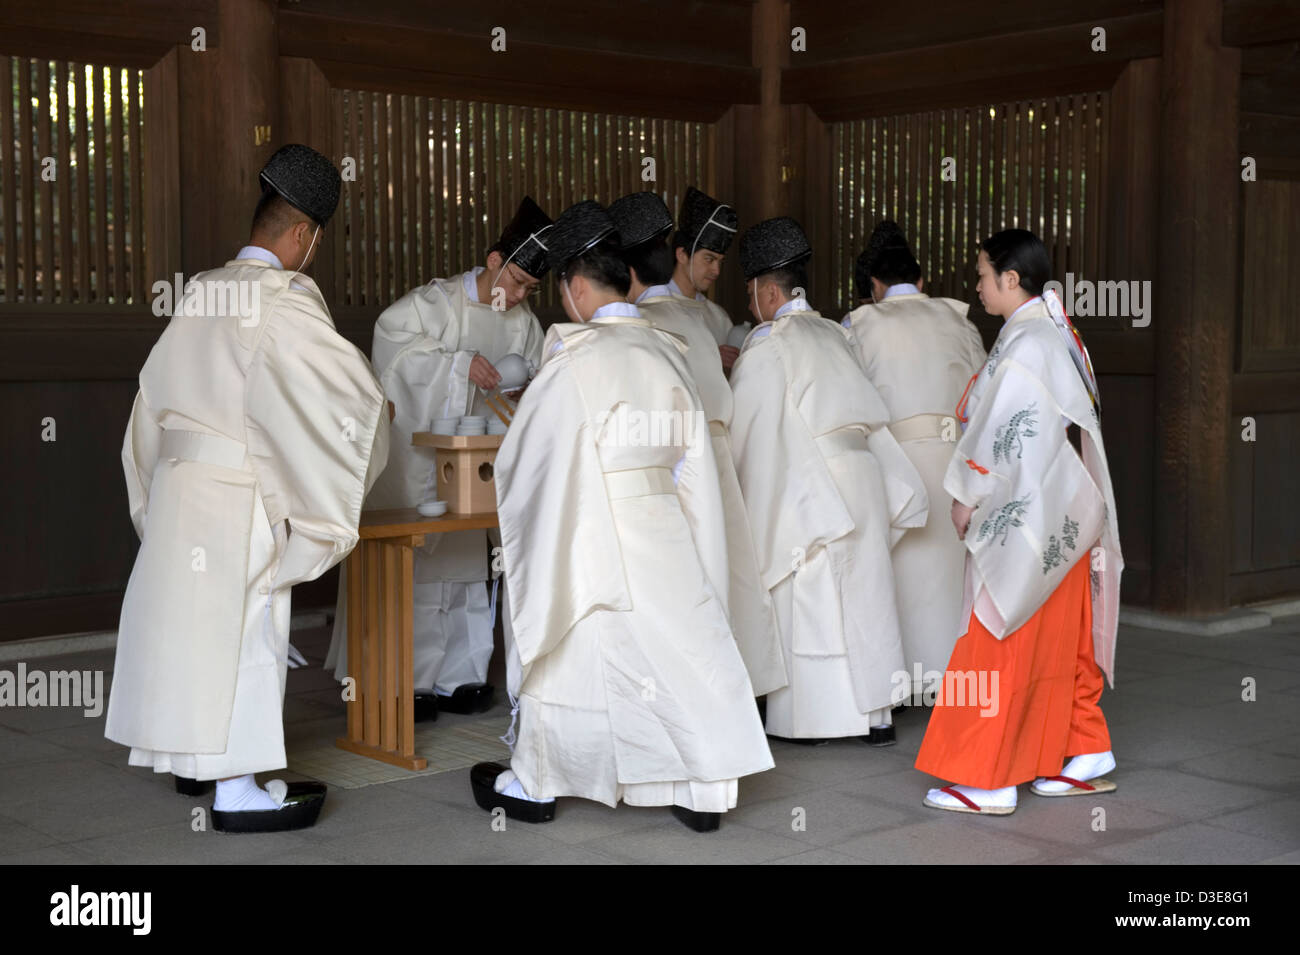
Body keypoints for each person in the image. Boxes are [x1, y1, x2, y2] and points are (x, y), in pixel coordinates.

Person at [105, 144, 390, 832]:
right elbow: (350, 400)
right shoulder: (281, 300)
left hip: (178, 479)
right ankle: (236, 791)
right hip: (233, 492)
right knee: (243, 633)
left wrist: (153, 490)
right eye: (315, 241)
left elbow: (149, 402)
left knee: (189, 632)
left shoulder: (204, 288)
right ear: (303, 235)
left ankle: (195, 759)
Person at [471, 200, 773, 832]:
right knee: (678, 652)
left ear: (576, 286)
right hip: (660, 522)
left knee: (576, 648)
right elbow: (693, 463)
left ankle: (539, 778)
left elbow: (530, 461)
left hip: (592, 526)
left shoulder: (574, 359)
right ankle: (700, 785)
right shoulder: (664, 352)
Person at [915, 228, 1122, 816]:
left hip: (1027, 519)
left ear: (1010, 278)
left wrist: (968, 494)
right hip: (1062, 515)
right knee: (1062, 640)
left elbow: (1000, 431)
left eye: (982, 274)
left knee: (994, 634)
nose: (977, 285)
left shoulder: (1030, 341)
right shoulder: (1050, 332)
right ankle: (1084, 750)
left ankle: (987, 778)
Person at [326, 197, 551, 717]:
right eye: (515, 280)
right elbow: (392, 345)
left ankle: (462, 676)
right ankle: (410, 682)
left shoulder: (523, 323)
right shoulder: (438, 303)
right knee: (420, 572)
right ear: (494, 260)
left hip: (478, 463)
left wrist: (524, 391)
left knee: (472, 570)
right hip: (421, 465)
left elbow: (539, 373)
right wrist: (456, 367)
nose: (518, 295)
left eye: (530, 289)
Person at [728, 216, 928, 745]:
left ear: (769, 292)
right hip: (863, 470)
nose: (752, 308)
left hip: (813, 476)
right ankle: (876, 717)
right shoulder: (836, 333)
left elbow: (752, 432)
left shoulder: (769, 343)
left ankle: (816, 719)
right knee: (865, 592)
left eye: (752, 296)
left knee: (813, 594)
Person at [607, 190, 785, 696]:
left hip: (682, 464)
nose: (714, 270)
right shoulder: (682, 321)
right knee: (721, 572)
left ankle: (695, 691)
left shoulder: (651, 323)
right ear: (677, 255)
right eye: (708, 257)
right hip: (710, 461)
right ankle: (733, 689)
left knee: (690, 581)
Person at [842, 221, 987, 700]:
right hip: (952, 458)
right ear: (921, 281)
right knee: (949, 572)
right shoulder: (958, 321)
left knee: (896, 570)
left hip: (893, 459)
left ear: (876, 287)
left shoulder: (858, 324)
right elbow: (982, 394)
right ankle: (952, 678)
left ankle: (899, 681)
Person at [670, 186, 741, 371]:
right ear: (682, 255)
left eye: (720, 261)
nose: (716, 270)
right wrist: (710, 357)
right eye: (709, 259)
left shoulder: (719, 317)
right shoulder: (651, 310)